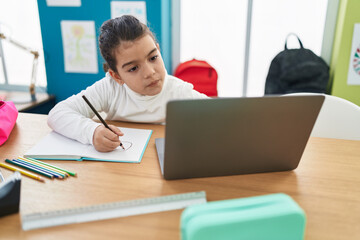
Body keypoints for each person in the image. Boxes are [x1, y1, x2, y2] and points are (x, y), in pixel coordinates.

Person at [47, 15, 208, 152]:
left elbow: (219, 118)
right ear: (116, 76)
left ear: (158, 50)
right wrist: (92, 131)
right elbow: (57, 114)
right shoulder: (110, 88)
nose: (150, 72)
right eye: (133, 68)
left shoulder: (179, 91)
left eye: (153, 58)